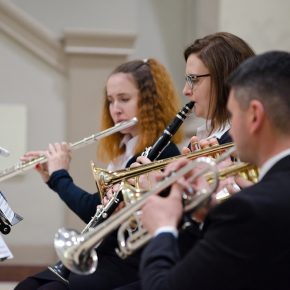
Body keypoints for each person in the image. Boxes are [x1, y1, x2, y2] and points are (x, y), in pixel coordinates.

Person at [14, 58, 183, 290]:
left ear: (150, 101)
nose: (116, 109)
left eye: (124, 99)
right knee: (27, 286)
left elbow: (93, 208)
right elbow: (101, 209)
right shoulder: (126, 148)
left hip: (130, 259)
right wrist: (51, 177)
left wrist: (59, 176)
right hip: (105, 251)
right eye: (111, 100)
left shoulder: (157, 151)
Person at [114, 32, 256, 290]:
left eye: (193, 80)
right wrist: (155, 185)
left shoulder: (238, 142)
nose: (185, 90)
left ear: (225, 79)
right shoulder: (206, 135)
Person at [139, 51, 290, 290]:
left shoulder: (250, 208)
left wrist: (163, 229)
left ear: (254, 115)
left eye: (233, 114)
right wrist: (209, 213)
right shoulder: (259, 200)